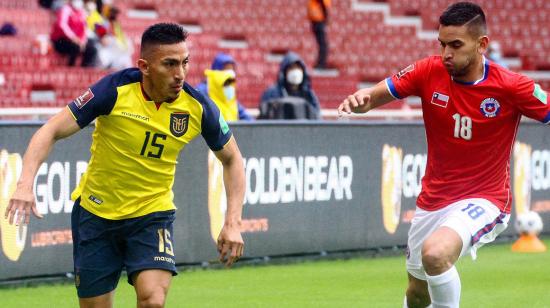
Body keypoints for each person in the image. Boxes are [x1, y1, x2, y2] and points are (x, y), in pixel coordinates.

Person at [5, 23, 245, 307]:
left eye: (184, 63)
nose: (179, 74)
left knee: (153, 300)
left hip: (152, 214)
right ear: (144, 66)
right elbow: (51, 130)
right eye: (169, 64)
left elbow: (232, 159)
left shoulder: (198, 106)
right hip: (96, 213)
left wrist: (233, 222)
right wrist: (24, 184)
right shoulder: (114, 90)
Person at [338, 2, 550, 308]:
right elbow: (373, 97)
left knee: (436, 254)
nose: (446, 53)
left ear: (482, 45)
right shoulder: (428, 71)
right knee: (417, 293)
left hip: (485, 198)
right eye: (442, 44)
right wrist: (362, 100)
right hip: (433, 199)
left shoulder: (511, 86)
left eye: (456, 45)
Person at [259, 51, 321, 119]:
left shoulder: (309, 95)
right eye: (291, 68)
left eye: (298, 68)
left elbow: (316, 118)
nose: (295, 71)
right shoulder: (272, 93)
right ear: (284, 72)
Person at [196, 53, 253, 121]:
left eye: (231, 70)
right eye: (226, 69)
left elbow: (244, 115)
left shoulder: (229, 90)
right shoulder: (202, 91)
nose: (229, 73)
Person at [50, 0, 98, 67]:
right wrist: (73, 38)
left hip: (77, 41)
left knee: (92, 49)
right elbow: (62, 25)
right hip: (61, 40)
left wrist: (82, 41)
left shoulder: (81, 12)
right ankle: (70, 67)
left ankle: (84, 69)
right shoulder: (65, 9)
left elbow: (83, 27)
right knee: (75, 47)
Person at [307, 0, 330, 69]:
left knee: (322, 44)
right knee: (323, 44)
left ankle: (321, 63)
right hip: (317, 20)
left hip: (316, 20)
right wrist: (325, 17)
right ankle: (321, 63)